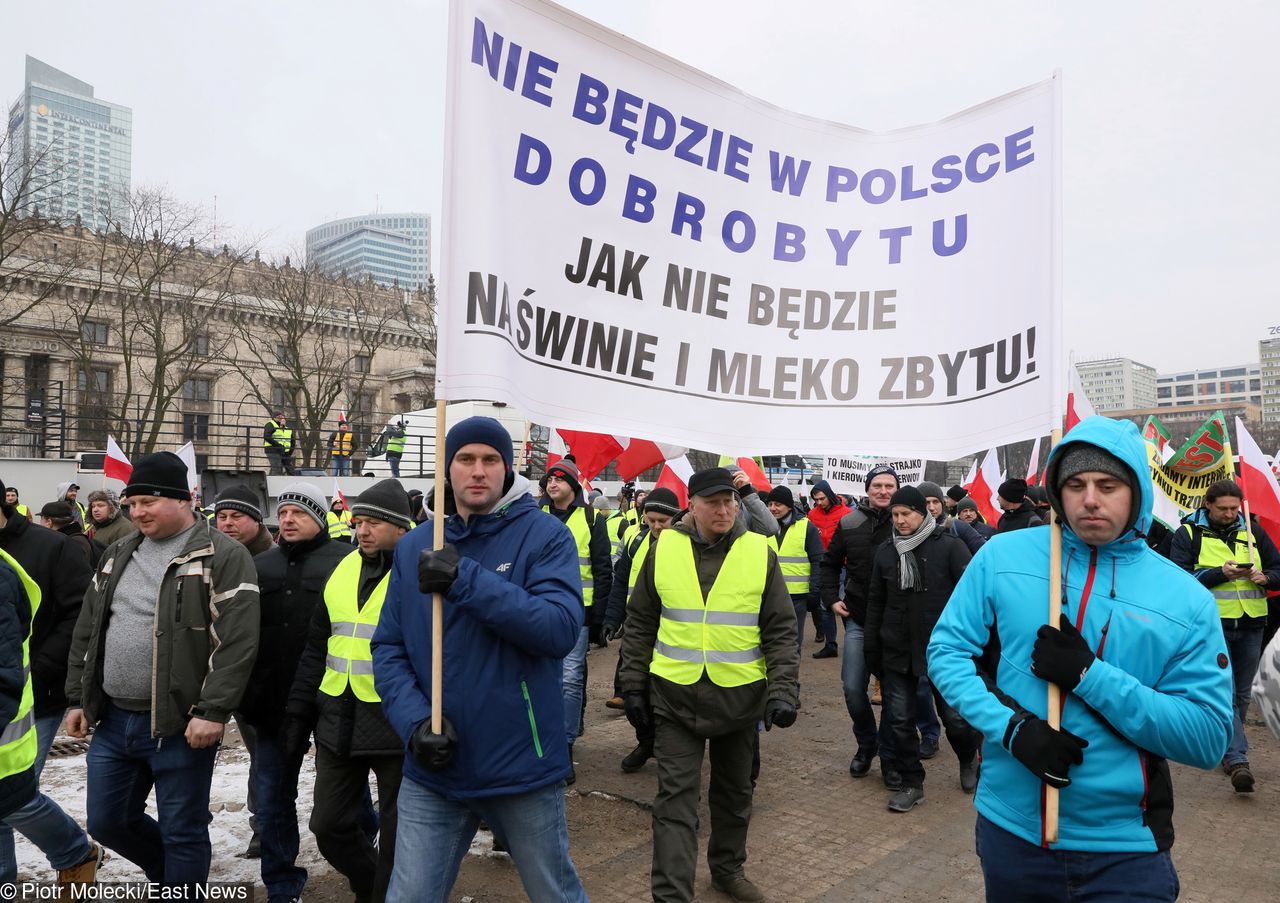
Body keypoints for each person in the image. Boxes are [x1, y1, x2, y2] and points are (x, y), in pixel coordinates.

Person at [928, 416, 1234, 902]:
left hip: (1126, 849)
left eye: (1108, 484)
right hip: (1013, 832)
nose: (1090, 498)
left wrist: (1091, 676)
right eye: (1076, 484)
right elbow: (946, 652)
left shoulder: (1185, 597)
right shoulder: (999, 556)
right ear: (1057, 491)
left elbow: (1205, 738)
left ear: (1136, 491)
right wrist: (1011, 728)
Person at [373, 415, 587, 902]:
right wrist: (412, 725)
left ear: (507, 470)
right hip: (434, 767)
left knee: (555, 893)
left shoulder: (546, 537)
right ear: (446, 469)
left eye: (490, 460)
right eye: (465, 459)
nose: (477, 470)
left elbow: (558, 629)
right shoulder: (414, 547)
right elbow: (387, 648)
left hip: (521, 765)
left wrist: (464, 580)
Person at [65, 452, 260, 885]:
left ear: (184, 499)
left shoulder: (222, 555)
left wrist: (211, 710)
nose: (137, 512)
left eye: (148, 502)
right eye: (131, 503)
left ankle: (178, 887)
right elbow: (90, 627)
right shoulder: (118, 552)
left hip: (179, 724)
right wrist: (78, 698)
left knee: (183, 831)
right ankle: (170, 878)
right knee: (107, 821)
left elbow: (237, 641)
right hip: (114, 721)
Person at [619, 467, 799, 903]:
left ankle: (727, 870)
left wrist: (783, 690)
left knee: (735, 794)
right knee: (675, 801)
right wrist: (632, 685)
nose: (725, 509)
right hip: (674, 695)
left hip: (740, 697)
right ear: (693, 506)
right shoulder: (663, 549)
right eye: (714, 502)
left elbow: (780, 628)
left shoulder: (759, 550)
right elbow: (641, 621)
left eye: (730, 501)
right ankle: (671, 895)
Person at [286, 479, 414, 903]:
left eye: (374, 523)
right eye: (359, 522)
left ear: (401, 527)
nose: (362, 530)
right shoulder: (343, 567)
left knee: (399, 834)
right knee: (328, 825)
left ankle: (383, 894)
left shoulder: (418, 573)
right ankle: (369, 880)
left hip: (395, 719)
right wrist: (299, 713)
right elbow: (316, 646)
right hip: (338, 715)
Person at [240, 482, 351, 902]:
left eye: (299, 512)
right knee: (271, 802)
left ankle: (363, 853)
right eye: (283, 512)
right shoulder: (261, 565)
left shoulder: (346, 561)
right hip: (272, 703)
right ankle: (283, 886)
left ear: (320, 518)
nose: (287, 519)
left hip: (332, 699)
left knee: (345, 804)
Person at [0, 481, 100, 887]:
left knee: (13, 794)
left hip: (37, 694)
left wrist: (38, 669)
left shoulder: (52, 546)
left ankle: (75, 851)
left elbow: (80, 613)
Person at [865, 486, 978, 812]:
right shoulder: (886, 552)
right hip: (897, 653)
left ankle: (968, 756)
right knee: (900, 721)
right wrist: (872, 649)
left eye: (906, 514)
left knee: (955, 719)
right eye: (895, 515)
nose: (899, 520)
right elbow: (876, 603)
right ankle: (912, 782)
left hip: (944, 652)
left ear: (923, 513)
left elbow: (972, 598)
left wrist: (974, 646)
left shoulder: (951, 548)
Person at [1167, 479, 1280, 793]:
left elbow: (1277, 568)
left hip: (1252, 625)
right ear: (1208, 505)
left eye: (1235, 508)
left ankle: (1227, 745)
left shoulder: (1253, 532)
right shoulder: (1187, 534)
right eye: (1224, 509)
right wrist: (1220, 574)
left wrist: (1266, 577)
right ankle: (1237, 758)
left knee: (1243, 695)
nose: (1231, 514)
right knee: (1225, 694)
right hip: (1211, 627)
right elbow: (1179, 579)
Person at [819, 465, 900, 784]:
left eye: (889, 485)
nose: (883, 491)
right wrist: (829, 597)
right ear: (867, 489)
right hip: (857, 620)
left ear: (897, 488)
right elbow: (829, 563)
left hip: (895, 624)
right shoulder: (849, 522)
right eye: (877, 485)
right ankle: (867, 745)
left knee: (895, 695)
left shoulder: (907, 521)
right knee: (853, 689)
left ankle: (891, 755)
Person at [540, 457, 612, 780]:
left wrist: (598, 618)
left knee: (570, 679)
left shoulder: (591, 518)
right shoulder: (535, 515)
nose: (552, 484)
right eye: (549, 479)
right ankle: (543, 740)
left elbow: (602, 568)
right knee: (543, 678)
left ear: (572, 485)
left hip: (576, 614)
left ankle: (565, 746)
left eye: (559, 479)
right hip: (539, 610)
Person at [212, 484, 274, 859]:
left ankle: (264, 827)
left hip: (263, 678)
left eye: (237, 516)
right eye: (222, 516)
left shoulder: (274, 560)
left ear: (256, 519)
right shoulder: (209, 557)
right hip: (215, 674)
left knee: (264, 758)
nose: (228, 523)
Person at [601, 487, 682, 771]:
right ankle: (647, 742)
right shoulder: (636, 540)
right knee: (632, 694)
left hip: (672, 632)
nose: (657, 526)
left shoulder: (687, 546)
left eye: (663, 520)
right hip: (638, 630)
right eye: (651, 520)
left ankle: (669, 749)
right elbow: (620, 581)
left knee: (664, 696)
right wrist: (611, 617)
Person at [764, 486, 824, 665]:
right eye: (770, 504)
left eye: (778, 504)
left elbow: (817, 561)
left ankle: (789, 686)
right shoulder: (762, 526)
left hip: (796, 598)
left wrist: (814, 591)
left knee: (791, 644)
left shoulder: (807, 528)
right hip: (767, 595)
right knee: (768, 642)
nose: (773, 508)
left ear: (789, 506)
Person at [805, 479, 850, 651]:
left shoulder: (846, 513)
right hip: (822, 565)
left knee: (844, 602)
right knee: (825, 604)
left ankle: (853, 641)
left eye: (822, 498)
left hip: (842, 564)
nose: (819, 503)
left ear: (829, 495)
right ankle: (830, 645)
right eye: (816, 500)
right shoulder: (812, 515)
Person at [918, 482, 986, 556]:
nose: (931, 507)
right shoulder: (908, 530)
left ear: (942, 504)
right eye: (926, 502)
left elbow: (986, 552)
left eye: (935, 502)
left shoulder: (957, 527)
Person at [38, 501, 103, 569]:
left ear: (49, 522)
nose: (40, 524)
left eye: (41, 519)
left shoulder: (73, 543)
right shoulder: (71, 540)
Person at [264, 412, 294, 476]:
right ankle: (273, 483)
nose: (282, 418)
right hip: (272, 449)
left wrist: (289, 451)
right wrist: (278, 445)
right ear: (274, 417)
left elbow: (292, 441)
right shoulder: (270, 424)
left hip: (284, 451)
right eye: (279, 417)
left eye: (282, 417)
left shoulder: (286, 429)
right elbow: (267, 436)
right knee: (277, 468)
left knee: (289, 469)